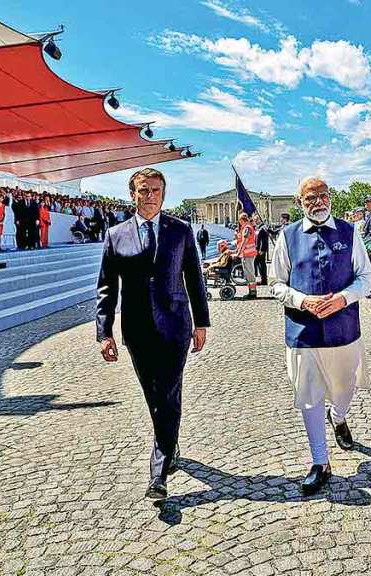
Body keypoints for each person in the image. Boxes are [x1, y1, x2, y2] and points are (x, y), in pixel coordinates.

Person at [95, 168, 210, 500]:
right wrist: (104, 332)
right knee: (155, 396)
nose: (150, 195)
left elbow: (194, 278)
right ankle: (170, 444)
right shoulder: (116, 235)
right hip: (138, 329)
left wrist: (201, 322)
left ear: (164, 192)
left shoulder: (181, 230)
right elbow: (106, 288)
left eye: (155, 190)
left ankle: (158, 473)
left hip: (175, 325)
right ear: (133, 194)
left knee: (169, 390)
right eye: (143, 190)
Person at [270, 177, 371, 495]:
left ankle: (339, 415)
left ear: (330, 198)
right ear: (300, 201)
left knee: (344, 389)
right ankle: (320, 461)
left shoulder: (349, 231)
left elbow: (367, 276)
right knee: (309, 396)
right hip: (303, 332)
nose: (318, 202)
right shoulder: (287, 237)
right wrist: (303, 301)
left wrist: (344, 298)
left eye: (323, 195)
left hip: (344, 328)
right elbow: (276, 283)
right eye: (310, 197)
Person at [234, 213, 259, 299]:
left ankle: (253, 293)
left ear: (241, 220)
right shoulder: (247, 227)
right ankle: (251, 291)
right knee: (248, 273)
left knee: (250, 273)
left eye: (239, 220)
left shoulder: (247, 228)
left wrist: (238, 253)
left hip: (248, 254)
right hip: (248, 253)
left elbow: (245, 241)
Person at [254, 214, 270, 287]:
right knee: (259, 264)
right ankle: (261, 278)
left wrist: (262, 249)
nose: (255, 221)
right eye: (255, 220)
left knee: (261, 264)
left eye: (256, 220)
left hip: (261, 250)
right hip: (258, 249)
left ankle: (263, 280)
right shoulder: (258, 228)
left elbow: (263, 240)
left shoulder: (263, 228)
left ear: (260, 220)